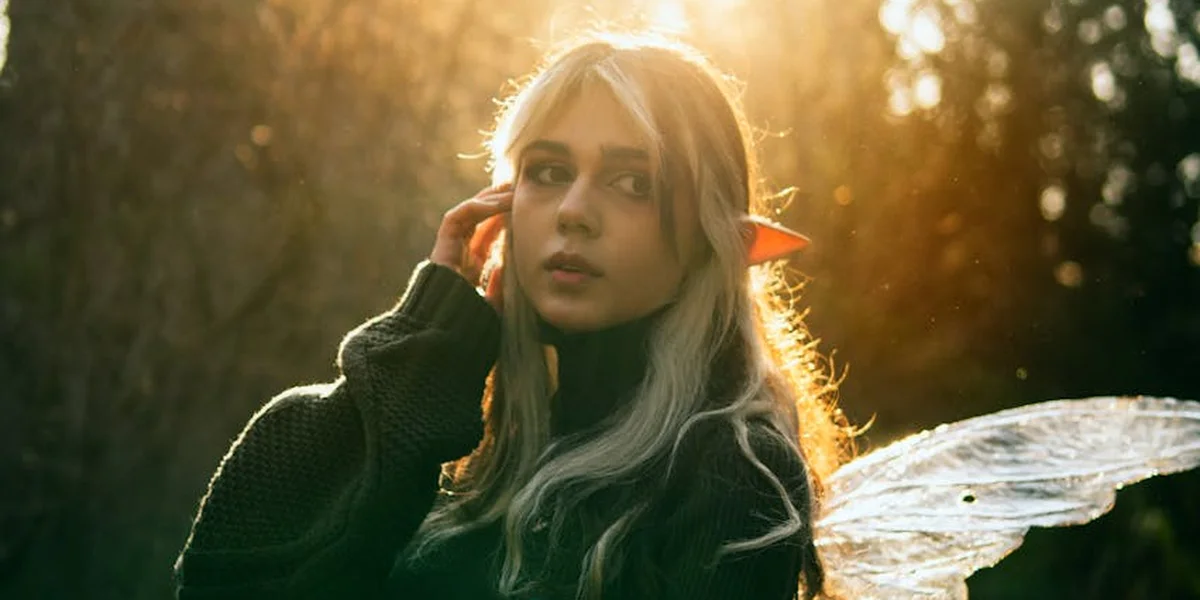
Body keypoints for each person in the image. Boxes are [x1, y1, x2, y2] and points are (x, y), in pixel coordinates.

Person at [173, 31, 852, 600]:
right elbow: (230, 580)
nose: (573, 211)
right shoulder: (467, 444)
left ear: (710, 238)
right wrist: (429, 343)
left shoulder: (733, 474)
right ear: (503, 206)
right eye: (549, 171)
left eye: (633, 182)